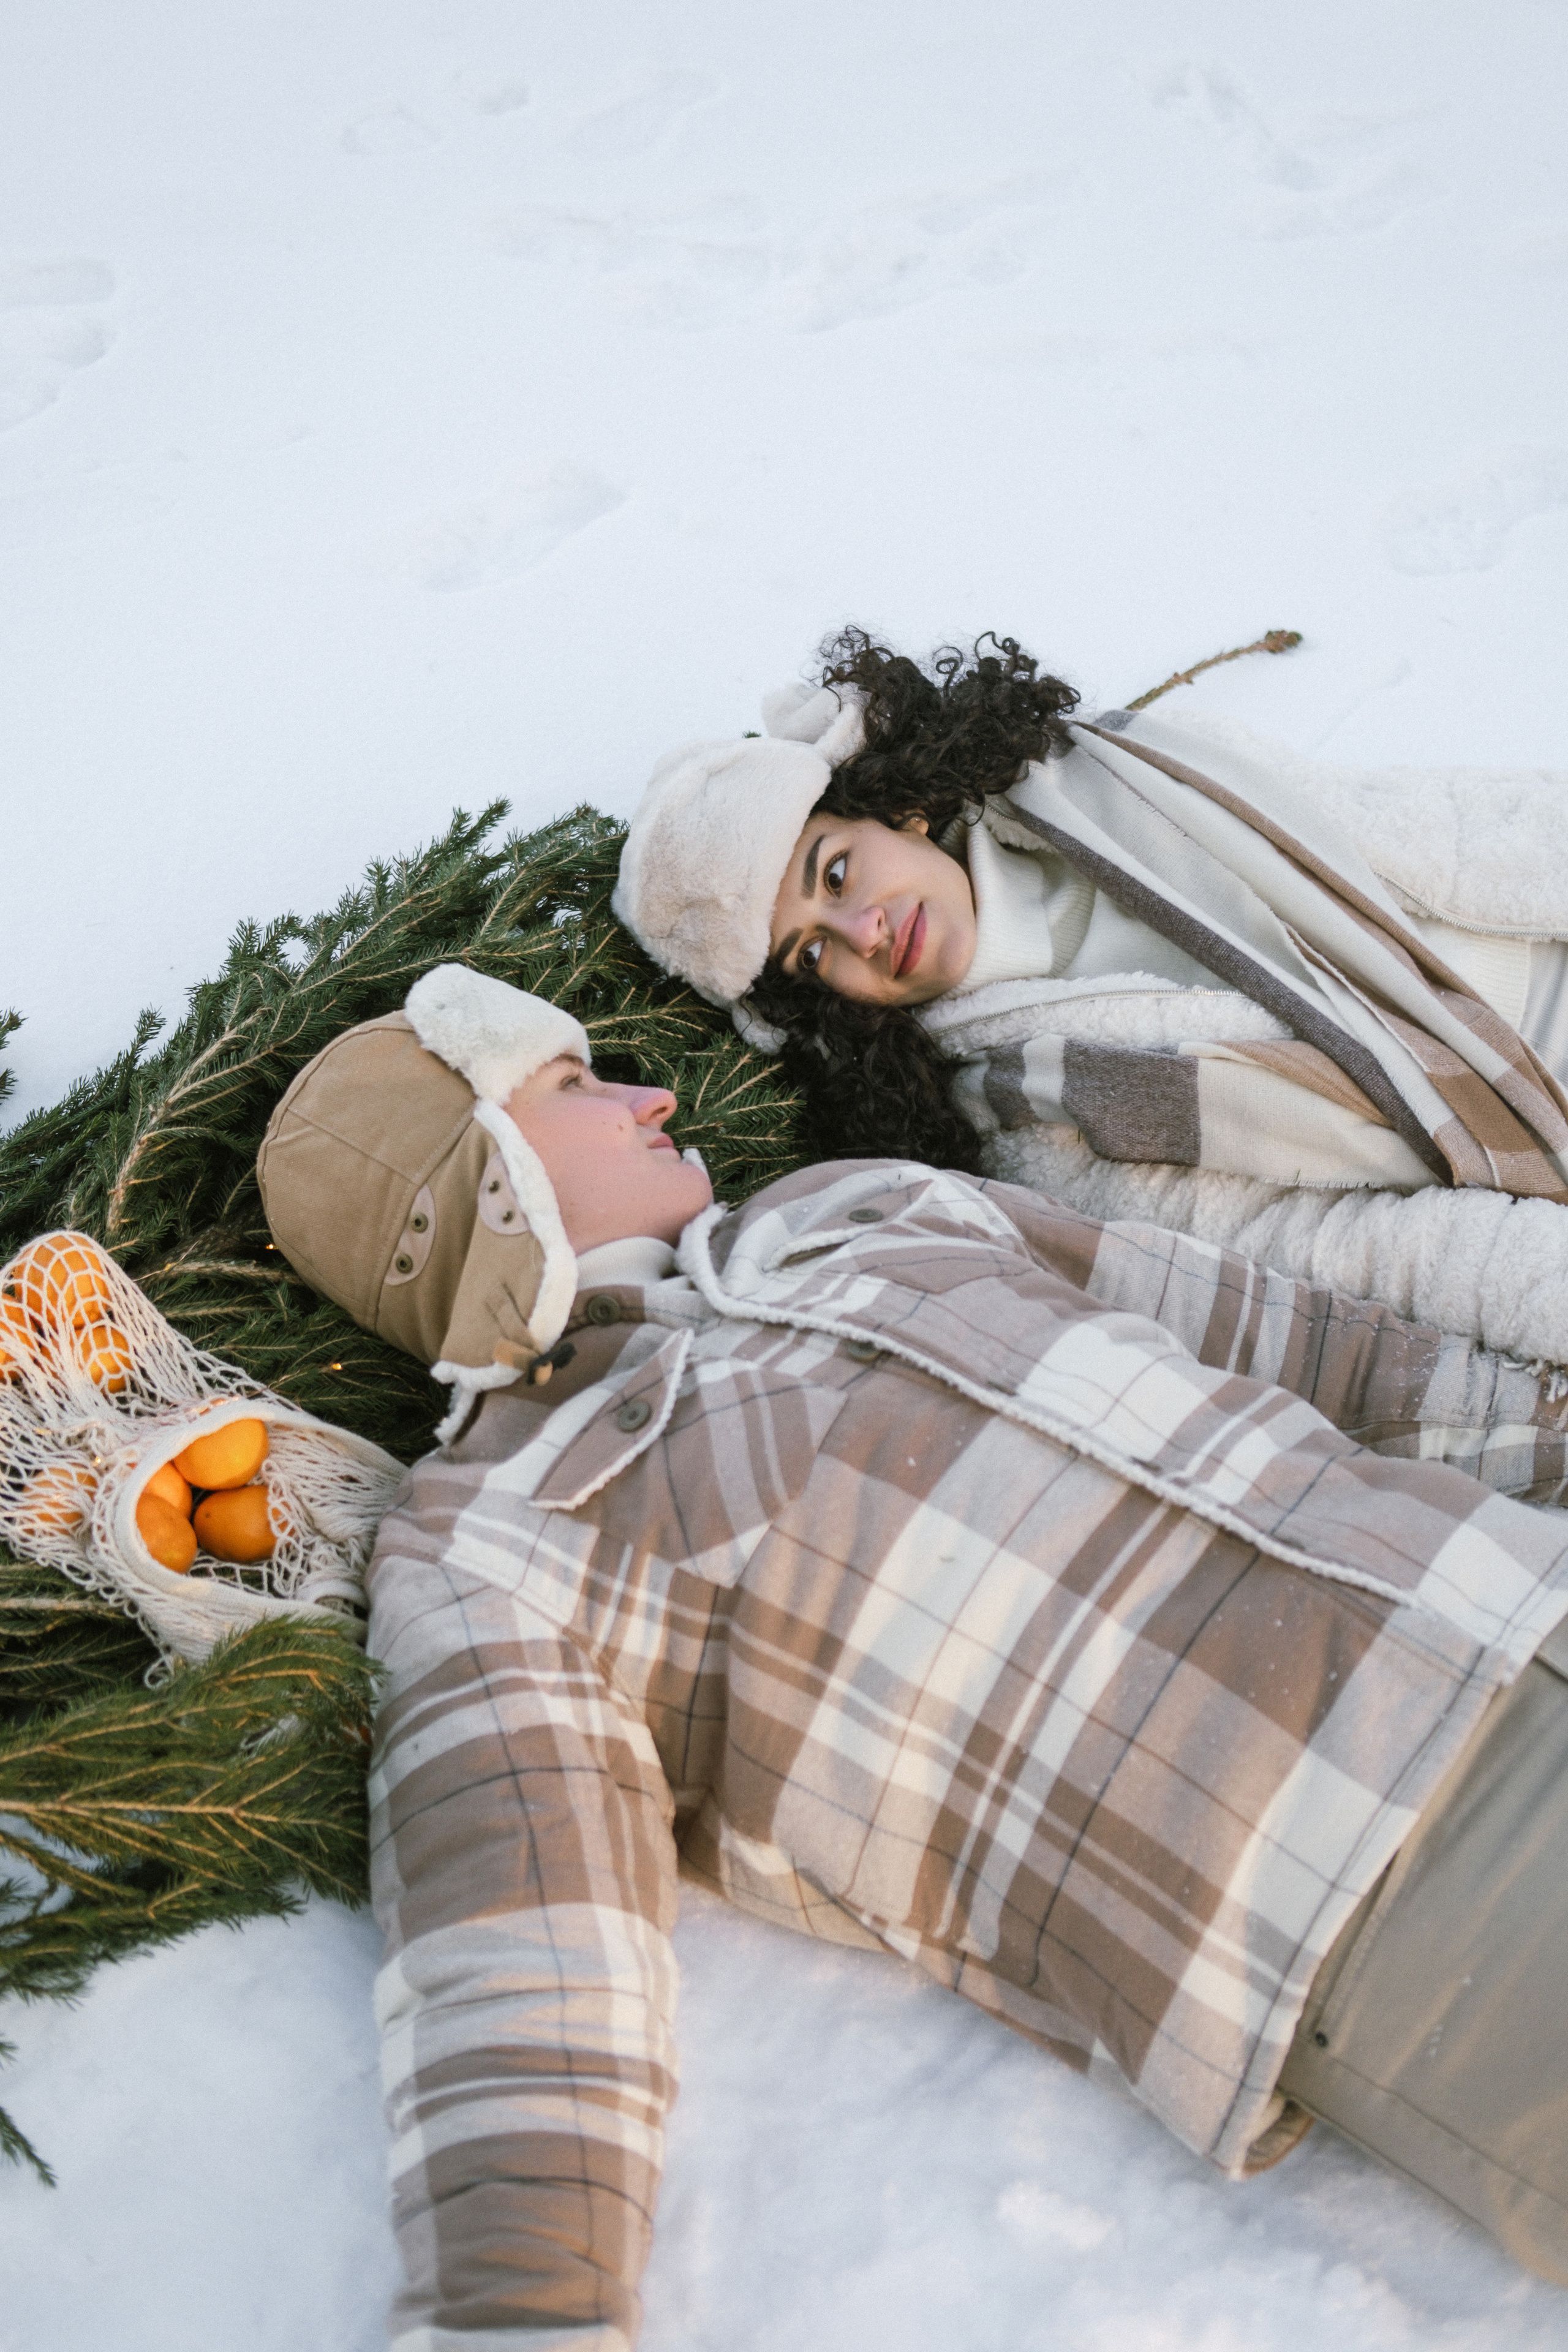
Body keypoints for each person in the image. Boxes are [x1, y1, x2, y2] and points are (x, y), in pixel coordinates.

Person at [258, 963, 1568, 2348]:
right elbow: (525, 1956)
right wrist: (521, 2318)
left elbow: (1303, 1350)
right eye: (575, 1090)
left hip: (1509, 1590)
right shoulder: (493, 1536)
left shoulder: (855, 1205)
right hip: (1376, 1898)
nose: (651, 1097)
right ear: (472, 1185)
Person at [613, 631, 1568, 1373]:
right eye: (811, 951)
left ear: (892, 810)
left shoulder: (1113, 776)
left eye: (835, 873)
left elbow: (1434, 832)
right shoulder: (1028, 1124)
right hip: (1528, 1135)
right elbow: (1326, 1247)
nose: (861, 930)